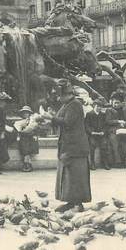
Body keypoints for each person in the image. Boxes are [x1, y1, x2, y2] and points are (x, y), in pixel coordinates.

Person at [44, 79, 91, 212]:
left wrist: (50, 118)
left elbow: (68, 122)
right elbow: (59, 119)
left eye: (60, 95)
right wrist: (48, 119)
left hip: (76, 146)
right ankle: (70, 202)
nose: (58, 98)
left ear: (67, 94)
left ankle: (78, 204)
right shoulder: (66, 105)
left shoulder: (75, 105)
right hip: (67, 145)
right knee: (67, 175)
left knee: (76, 175)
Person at [105, 92, 126, 168]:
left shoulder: (124, 109)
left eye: (118, 103)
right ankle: (118, 162)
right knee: (114, 140)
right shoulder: (109, 110)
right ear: (112, 102)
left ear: (121, 103)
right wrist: (118, 122)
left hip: (124, 130)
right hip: (113, 131)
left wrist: (125, 123)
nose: (116, 105)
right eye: (114, 103)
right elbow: (108, 121)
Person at [85, 99, 110, 170]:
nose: (99, 108)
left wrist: (103, 132)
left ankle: (105, 163)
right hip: (93, 135)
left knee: (104, 144)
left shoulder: (103, 115)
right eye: (97, 106)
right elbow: (87, 125)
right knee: (92, 145)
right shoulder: (89, 114)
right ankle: (92, 163)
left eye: (100, 107)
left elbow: (106, 125)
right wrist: (91, 132)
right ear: (94, 106)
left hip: (101, 135)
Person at [17, 106, 40, 172]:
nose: (25, 114)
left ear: (29, 113)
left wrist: (34, 134)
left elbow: (36, 129)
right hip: (24, 138)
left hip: (31, 137)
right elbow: (19, 129)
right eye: (24, 113)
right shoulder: (21, 121)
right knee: (24, 147)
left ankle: (27, 164)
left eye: (27, 113)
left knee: (27, 148)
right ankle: (27, 163)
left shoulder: (33, 120)